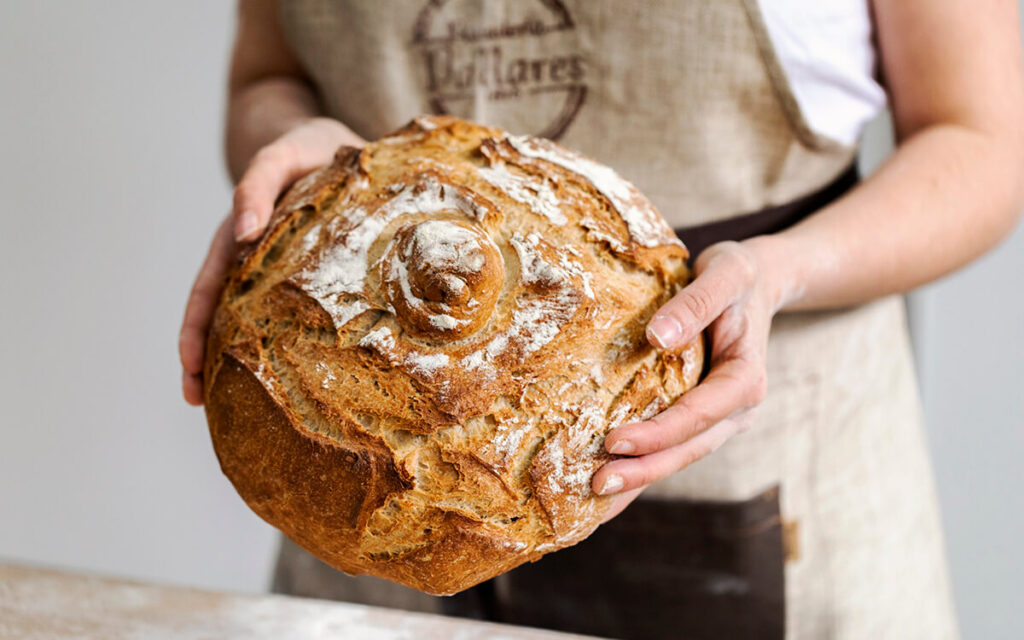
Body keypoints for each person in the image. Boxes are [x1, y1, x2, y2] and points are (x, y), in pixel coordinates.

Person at [179, 1, 1024, 638]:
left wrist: (779, 270)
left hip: (766, 465)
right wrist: (293, 145)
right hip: (361, 485)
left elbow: (983, 139)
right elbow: (268, 77)